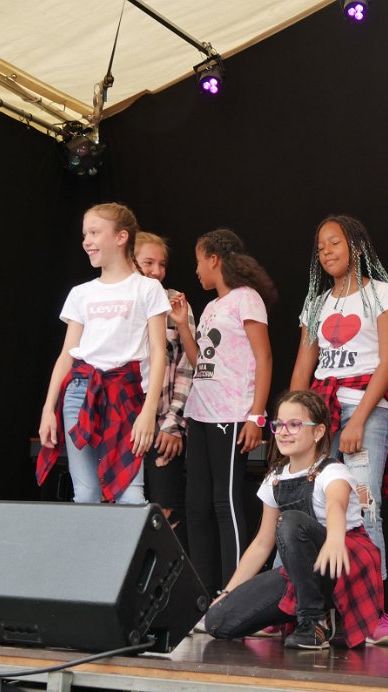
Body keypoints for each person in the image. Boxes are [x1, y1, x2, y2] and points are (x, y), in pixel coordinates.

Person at [289, 215, 388, 646]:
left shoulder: (383, 293)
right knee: (306, 506)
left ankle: (374, 614)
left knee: (364, 505)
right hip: (319, 413)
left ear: (356, 245)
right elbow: (303, 368)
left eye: (334, 243)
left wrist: (358, 420)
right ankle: (304, 611)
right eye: (320, 246)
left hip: (363, 408)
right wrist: (293, 422)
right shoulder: (316, 303)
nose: (326, 252)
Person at [204, 390, 383, 649]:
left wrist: (334, 538)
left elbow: (336, 504)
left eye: (294, 424)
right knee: (217, 622)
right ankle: (308, 611)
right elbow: (262, 544)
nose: (283, 432)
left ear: (318, 432)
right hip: (301, 573)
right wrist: (227, 593)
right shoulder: (274, 479)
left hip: (341, 560)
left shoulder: (332, 471)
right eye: (278, 425)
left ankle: (314, 622)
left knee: (289, 521)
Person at [37, 203, 169, 505]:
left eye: (95, 232)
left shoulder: (147, 289)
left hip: (126, 395)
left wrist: (149, 411)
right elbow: (67, 355)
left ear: (121, 237)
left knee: (130, 495)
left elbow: (158, 352)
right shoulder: (81, 293)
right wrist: (48, 408)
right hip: (80, 392)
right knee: (86, 494)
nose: (87, 241)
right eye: (85, 234)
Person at [171, 229, 275, 598]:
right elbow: (201, 362)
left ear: (214, 259)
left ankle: (235, 591)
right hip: (200, 413)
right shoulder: (211, 307)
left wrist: (256, 416)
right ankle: (203, 592)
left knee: (225, 501)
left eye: (199, 261)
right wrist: (183, 325)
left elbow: (264, 357)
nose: (196, 270)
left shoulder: (247, 299)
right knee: (196, 504)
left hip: (231, 414)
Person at [133, 231, 194, 550]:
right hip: (124, 426)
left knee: (166, 514)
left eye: (162, 264)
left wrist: (173, 424)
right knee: (124, 509)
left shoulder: (175, 303)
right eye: (148, 263)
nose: (156, 271)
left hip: (161, 428)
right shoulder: (118, 300)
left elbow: (187, 369)